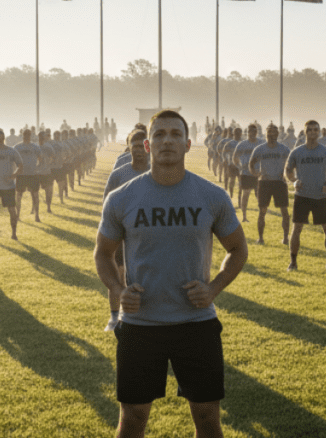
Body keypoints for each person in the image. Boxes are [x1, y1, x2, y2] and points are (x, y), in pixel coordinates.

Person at [93, 110, 247, 438]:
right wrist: (119, 292)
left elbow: (238, 249)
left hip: (196, 323)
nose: (167, 140)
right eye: (159, 134)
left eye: (175, 134)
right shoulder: (122, 198)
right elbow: (103, 254)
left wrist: (214, 288)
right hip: (139, 326)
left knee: (207, 418)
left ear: (189, 144)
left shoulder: (211, 196)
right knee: (133, 418)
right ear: (147, 145)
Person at [100, 129, 150, 332]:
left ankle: (146, 314)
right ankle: (114, 317)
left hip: (149, 235)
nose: (138, 150)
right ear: (129, 147)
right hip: (122, 234)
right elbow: (106, 204)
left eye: (142, 146)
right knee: (118, 274)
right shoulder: (119, 174)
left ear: (148, 147)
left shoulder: (157, 173)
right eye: (134, 146)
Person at [285, 120, 326, 272]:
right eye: (310, 130)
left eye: (316, 130)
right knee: (296, 229)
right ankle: (293, 262)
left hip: (321, 197)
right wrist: (294, 181)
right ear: (305, 132)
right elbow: (288, 169)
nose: (313, 132)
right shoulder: (297, 152)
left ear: (319, 132)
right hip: (301, 196)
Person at [250, 124, 291, 246]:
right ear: (265, 134)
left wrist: (287, 175)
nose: (271, 135)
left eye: (274, 133)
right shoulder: (260, 149)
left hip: (279, 183)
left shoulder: (284, 149)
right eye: (269, 133)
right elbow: (251, 163)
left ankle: (285, 238)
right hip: (264, 183)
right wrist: (256, 173)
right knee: (262, 211)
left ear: (278, 134)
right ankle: (261, 238)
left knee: (284, 211)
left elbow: (291, 163)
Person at [231, 124, 262, 223]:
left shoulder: (261, 143)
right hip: (246, 173)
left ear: (256, 132)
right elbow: (235, 157)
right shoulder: (242, 144)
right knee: (246, 194)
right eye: (250, 131)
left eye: (254, 131)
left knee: (260, 196)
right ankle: (244, 217)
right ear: (247, 132)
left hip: (258, 173)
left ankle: (261, 215)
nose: (252, 133)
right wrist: (240, 167)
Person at [14, 129, 43, 223]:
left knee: (35, 195)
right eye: (25, 135)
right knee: (18, 196)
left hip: (32, 174)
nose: (26, 136)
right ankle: (17, 215)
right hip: (21, 175)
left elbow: (40, 159)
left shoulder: (35, 147)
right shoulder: (17, 147)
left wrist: (37, 167)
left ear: (30, 136)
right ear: (22, 136)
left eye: (28, 135)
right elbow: (13, 160)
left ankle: (37, 216)